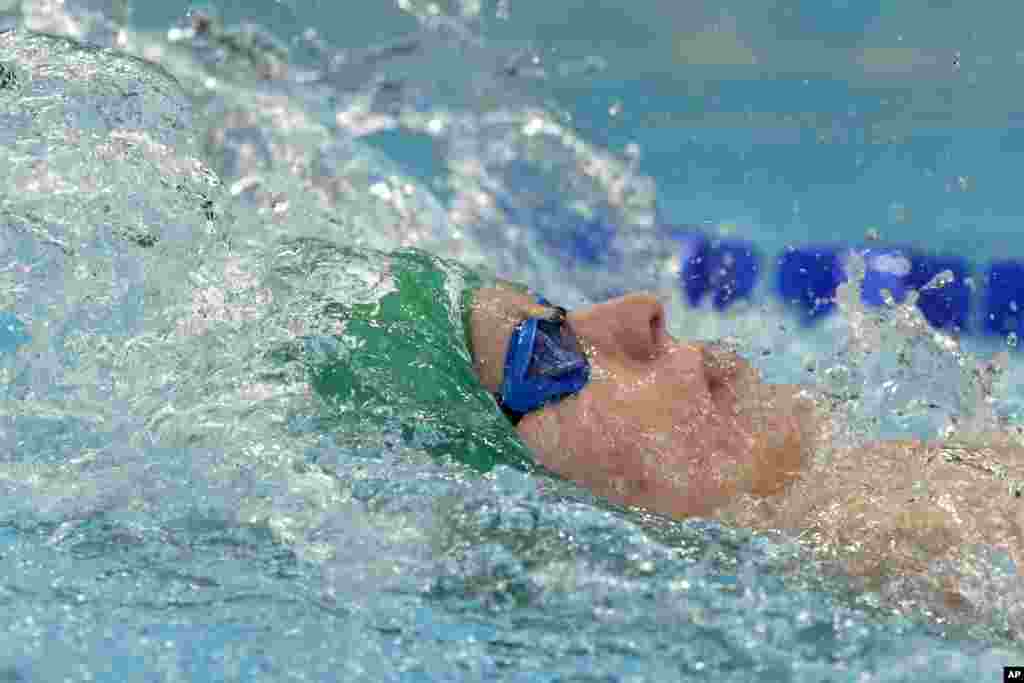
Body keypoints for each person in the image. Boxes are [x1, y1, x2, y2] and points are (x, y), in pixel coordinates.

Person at [276, 236, 1023, 590]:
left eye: (561, 311)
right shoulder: (931, 558)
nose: (640, 313)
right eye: (544, 355)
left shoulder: (920, 525)